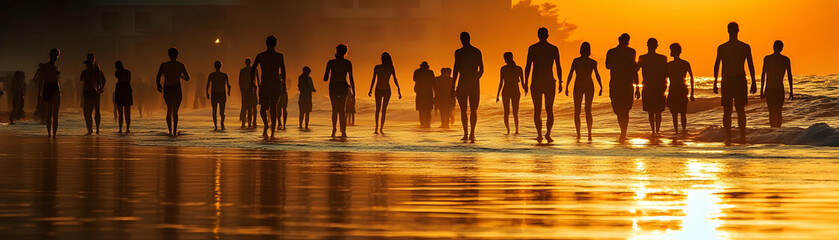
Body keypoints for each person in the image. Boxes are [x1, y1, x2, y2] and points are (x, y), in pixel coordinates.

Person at [713, 22, 757, 144]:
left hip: (731, 80)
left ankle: (731, 137)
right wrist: (753, 81)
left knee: (729, 111)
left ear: (728, 31)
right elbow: (751, 65)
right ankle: (740, 137)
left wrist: (715, 81)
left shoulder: (724, 47)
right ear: (738, 30)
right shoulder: (743, 47)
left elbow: (717, 65)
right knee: (738, 110)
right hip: (734, 80)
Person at [524, 27, 560, 143]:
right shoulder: (553, 49)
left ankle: (540, 134)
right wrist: (560, 81)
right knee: (549, 109)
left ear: (538, 35)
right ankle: (547, 134)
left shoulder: (533, 48)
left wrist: (525, 82)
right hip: (549, 81)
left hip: (537, 82)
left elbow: (528, 66)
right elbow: (558, 66)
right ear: (547, 35)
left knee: (537, 109)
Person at [605, 33, 640, 142]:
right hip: (621, 84)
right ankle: (623, 132)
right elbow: (608, 66)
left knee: (622, 110)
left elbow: (608, 66)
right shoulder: (614, 52)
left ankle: (623, 133)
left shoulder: (628, 52)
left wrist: (638, 87)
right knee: (621, 110)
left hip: (622, 84)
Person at [565, 42, 603, 141]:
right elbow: (597, 75)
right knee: (587, 110)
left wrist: (566, 86)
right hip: (588, 85)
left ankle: (579, 133)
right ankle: (589, 134)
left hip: (579, 85)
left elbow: (570, 74)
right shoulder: (592, 62)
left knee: (577, 111)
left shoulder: (577, 61)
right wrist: (601, 86)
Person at [252, 35, 286, 139]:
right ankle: (272, 132)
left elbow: (252, 69)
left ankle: (266, 124)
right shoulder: (279, 56)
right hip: (275, 84)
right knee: (273, 108)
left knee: (263, 107)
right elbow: (283, 71)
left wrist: (252, 82)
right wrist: (283, 85)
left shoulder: (261, 56)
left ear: (266, 43)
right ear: (275, 44)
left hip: (265, 84)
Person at [452, 32, 483, 142]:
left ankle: (469, 134)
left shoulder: (461, 52)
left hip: (465, 82)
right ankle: (468, 134)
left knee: (468, 109)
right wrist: (475, 79)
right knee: (468, 109)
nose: (462, 41)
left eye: (462, 39)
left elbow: (456, 69)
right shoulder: (475, 51)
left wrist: (453, 86)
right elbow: (481, 70)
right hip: (469, 83)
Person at [156, 47, 191, 136]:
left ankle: (169, 131)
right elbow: (187, 78)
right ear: (177, 55)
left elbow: (158, 76)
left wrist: (158, 85)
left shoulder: (164, 65)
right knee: (175, 111)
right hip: (176, 88)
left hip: (167, 88)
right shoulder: (180, 65)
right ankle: (175, 131)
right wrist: (180, 76)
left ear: (169, 55)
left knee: (169, 109)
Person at [638, 38, 668, 138]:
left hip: (654, 87)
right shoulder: (660, 58)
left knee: (655, 111)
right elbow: (665, 74)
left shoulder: (645, 58)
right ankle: (655, 131)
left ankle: (655, 131)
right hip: (652, 86)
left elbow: (665, 74)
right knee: (654, 111)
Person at [324, 44, 356, 139]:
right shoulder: (347, 63)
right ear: (345, 52)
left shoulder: (331, 62)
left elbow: (325, 78)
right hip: (343, 85)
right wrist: (354, 91)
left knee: (335, 110)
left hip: (333, 86)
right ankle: (343, 132)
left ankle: (334, 129)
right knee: (342, 110)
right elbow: (351, 78)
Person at [366, 52, 402, 134]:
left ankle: (380, 128)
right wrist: (370, 89)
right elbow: (374, 79)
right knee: (379, 109)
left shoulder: (390, 68)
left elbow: (394, 79)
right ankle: (377, 128)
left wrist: (399, 89)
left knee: (382, 110)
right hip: (379, 90)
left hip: (386, 90)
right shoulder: (378, 67)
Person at [760, 40, 793, 128]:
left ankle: (775, 129)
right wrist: (791, 90)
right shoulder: (771, 59)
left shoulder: (782, 59)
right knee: (777, 111)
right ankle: (776, 129)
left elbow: (789, 75)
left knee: (774, 112)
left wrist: (761, 90)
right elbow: (763, 74)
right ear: (781, 48)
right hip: (774, 89)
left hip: (773, 89)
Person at [666, 43, 696, 136]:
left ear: (675, 52)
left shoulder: (669, 65)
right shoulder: (685, 63)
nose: (670, 52)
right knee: (682, 112)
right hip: (682, 89)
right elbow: (691, 78)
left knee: (675, 114)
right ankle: (683, 130)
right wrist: (692, 92)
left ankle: (677, 131)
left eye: (671, 50)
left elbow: (663, 77)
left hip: (674, 89)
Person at [496, 52, 525, 135]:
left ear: (509, 58)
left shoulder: (506, 69)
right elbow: (523, 83)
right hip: (513, 91)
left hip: (508, 91)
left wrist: (497, 95)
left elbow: (501, 82)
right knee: (512, 112)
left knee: (508, 112)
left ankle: (511, 130)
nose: (504, 59)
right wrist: (525, 89)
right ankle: (513, 130)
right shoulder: (518, 68)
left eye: (505, 58)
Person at [36, 48, 61, 137]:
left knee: (55, 114)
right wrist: (39, 93)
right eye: (53, 55)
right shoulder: (45, 66)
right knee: (49, 112)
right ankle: (49, 133)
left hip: (55, 87)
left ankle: (54, 134)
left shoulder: (56, 67)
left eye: (56, 55)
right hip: (47, 87)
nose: (55, 57)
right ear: (50, 55)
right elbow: (41, 80)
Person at [80, 54, 106, 136]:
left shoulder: (96, 70)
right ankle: (92, 129)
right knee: (91, 111)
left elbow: (103, 79)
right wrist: (100, 88)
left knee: (90, 111)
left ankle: (93, 129)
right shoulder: (95, 70)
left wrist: (100, 87)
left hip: (92, 92)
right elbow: (104, 79)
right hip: (92, 92)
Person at [206, 61, 231, 131]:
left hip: (215, 94)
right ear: (221, 66)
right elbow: (228, 86)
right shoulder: (224, 75)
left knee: (214, 111)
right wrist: (229, 91)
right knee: (221, 112)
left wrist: (207, 93)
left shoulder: (212, 75)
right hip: (221, 94)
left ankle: (216, 126)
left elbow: (207, 86)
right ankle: (221, 123)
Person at [114, 61, 133, 134]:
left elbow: (118, 77)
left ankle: (120, 129)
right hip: (127, 89)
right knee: (127, 111)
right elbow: (129, 80)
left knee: (120, 112)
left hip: (119, 89)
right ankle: (127, 128)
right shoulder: (128, 72)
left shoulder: (116, 72)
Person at [414, 61, 434, 128]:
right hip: (428, 92)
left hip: (420, 92)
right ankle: (427, 124)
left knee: (421, 110)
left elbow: (414, 79)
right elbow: (433, 82)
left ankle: (423, 124)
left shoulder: (417, 71)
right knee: (428, 110)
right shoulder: (430, 72)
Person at [239, 58, 258, 128]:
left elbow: (239, 81)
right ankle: (252, 122)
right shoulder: (255, 70)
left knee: (245, 106)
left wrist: (241, 89)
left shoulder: (243, 70)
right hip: (252, 90)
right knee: (253, 107)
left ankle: (244, 122)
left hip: (245, 90)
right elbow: (258, 82)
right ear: (250, 62)